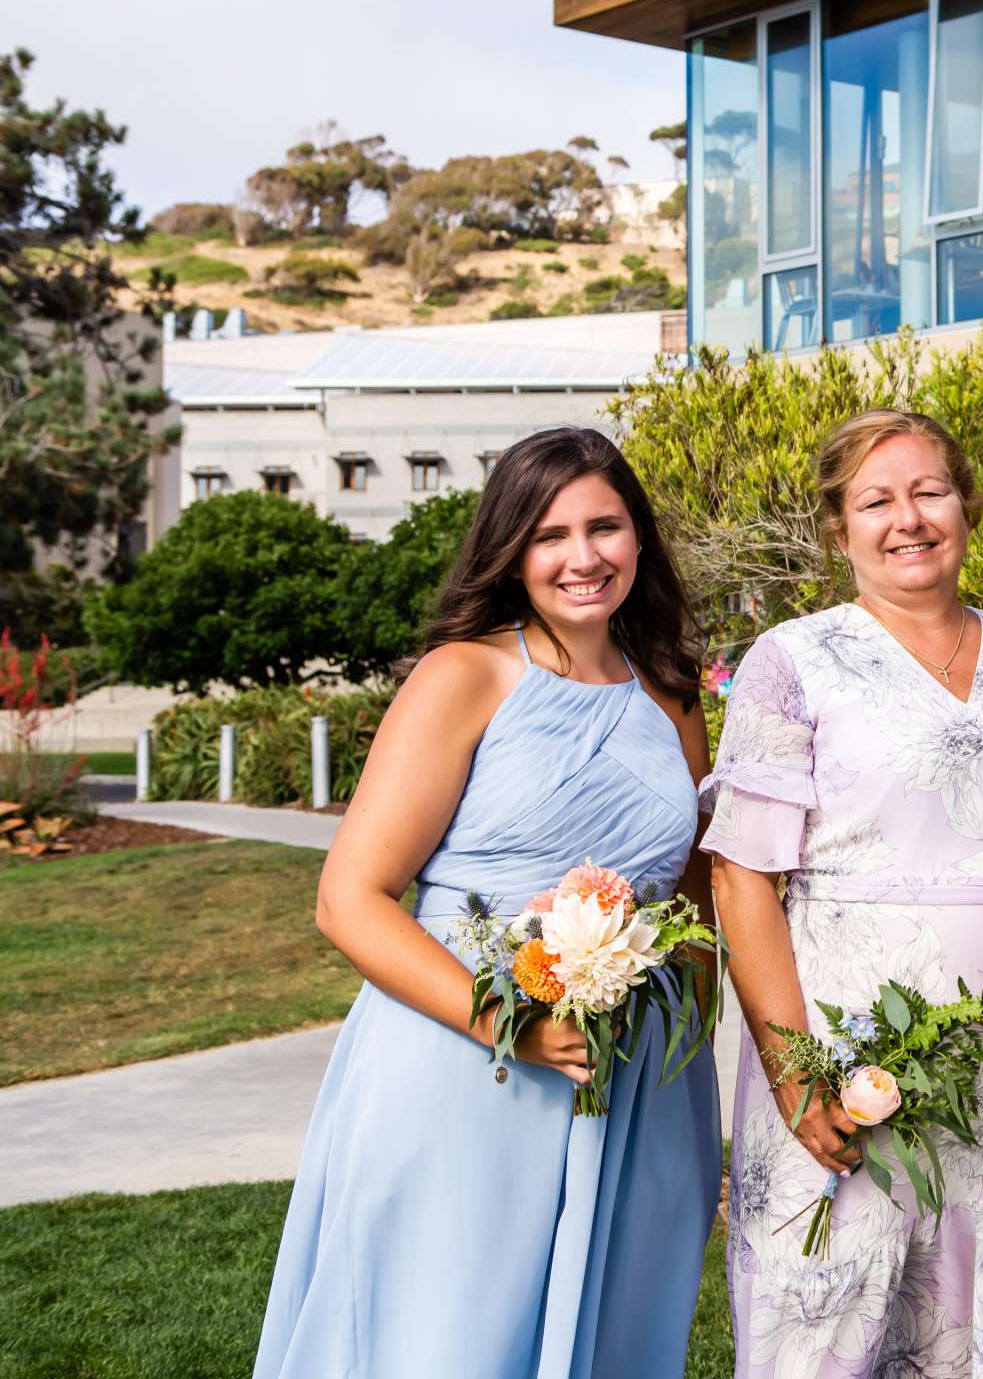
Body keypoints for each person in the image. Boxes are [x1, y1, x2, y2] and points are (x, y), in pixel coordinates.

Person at [255, 427, 720, 1379]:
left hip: (639, 1082)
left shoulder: (673, 695)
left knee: (620, 1330)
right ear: (512, 549)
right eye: (551, 535)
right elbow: (350, 898)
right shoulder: (465, 675)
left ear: (640, 539)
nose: (583, 557)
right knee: (449, 1336)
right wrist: (506, 1023)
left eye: (606, 527)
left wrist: (689, 1062)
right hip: (471, 1063)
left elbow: (694, 900)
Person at [706, 409, 983, 1379]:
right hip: (850, 1054)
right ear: (839, 529)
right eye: (877, 500)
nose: (907, 518)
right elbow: (741, 877)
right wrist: (794, 1074)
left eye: (928, 492)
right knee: (830, 1323)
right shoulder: (794, 661)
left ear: (966, 505)